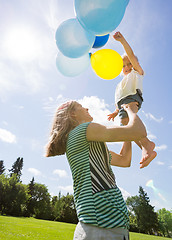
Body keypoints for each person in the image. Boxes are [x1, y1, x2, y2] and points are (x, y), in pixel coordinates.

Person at [45, 100, 148, 240]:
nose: (86, 108)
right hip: (102, 224)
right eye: (81, 106)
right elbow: (139, 132)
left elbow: (124, 160)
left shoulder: (89, 144)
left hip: (109, 223)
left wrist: (125, 124)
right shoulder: (83, 131)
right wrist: (131, 111)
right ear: (73, 114)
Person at [108, 32, 157, 168]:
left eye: (129, 63)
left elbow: (130, 55)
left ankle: (147, 145)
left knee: (129, 120)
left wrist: (122, 41)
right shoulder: (120, 84)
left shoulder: (137, 73)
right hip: (123, 104)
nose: (127, 67)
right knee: (126, 126)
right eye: (123, 66)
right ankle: (146, 147)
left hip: (132, 98)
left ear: (135, 63)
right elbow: (119, 99)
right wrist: (115, 111)